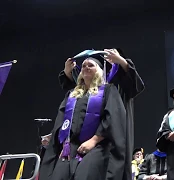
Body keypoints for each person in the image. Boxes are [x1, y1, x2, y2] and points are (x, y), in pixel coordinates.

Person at [58, 48, 145, 180]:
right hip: (88, 135)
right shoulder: (93, 83)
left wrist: (121, 61)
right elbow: (76, 93)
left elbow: (135, 85)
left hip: (114, 129)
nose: (87, 68)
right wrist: (67, 72)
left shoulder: (117, 80)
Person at [39, 52, 127, 180]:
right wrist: (59, 139)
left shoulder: (108, 91)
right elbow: (62, 120)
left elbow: (113, 118)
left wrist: (94, 141)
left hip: (97, 146)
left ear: (99, 71)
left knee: (84, 175)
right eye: (84, 65)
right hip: (70, 148)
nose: (86, 67)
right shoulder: (72, 95)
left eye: (90, 65)